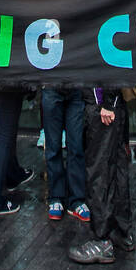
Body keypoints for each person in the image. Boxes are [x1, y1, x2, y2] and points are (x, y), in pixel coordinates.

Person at [69, 87, 132, 263]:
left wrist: (107, 103)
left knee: (99, 170)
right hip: (112, 103)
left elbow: (109, 62)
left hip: (102, 103)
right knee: (117, 167)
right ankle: (121, 231)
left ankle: (101, 240)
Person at [41, 85, 89, 222]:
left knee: (76, 146)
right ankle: (57, 197)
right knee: (53, 146)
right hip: (52, 86)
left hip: (76, 87)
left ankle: (76, 199)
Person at [0, 86, 34, 217]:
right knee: (5, 137)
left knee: (9, 131)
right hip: (9, 82)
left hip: (2, 81)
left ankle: (13, 175)